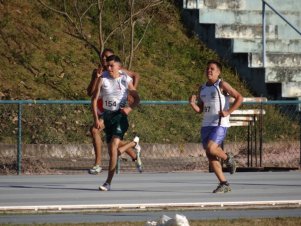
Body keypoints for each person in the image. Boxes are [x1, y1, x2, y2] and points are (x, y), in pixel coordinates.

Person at [189, 60, 243, 193]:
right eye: (208, 68)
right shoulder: (202, 88)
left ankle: (228, 158)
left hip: (219, 123)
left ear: (218, 72)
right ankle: (224, 183)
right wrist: (192, 104)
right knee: (210, 154)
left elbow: (239, 97)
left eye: (212, 69)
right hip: (206, 125)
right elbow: (200, 109)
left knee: (211, 148)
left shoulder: (222, 84)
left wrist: (228, 112)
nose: (209, 71)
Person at [87, 48, 141, 174]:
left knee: (96, 131)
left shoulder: (121, 73)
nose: (105, 60)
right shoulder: (98, 73)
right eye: (103, 58)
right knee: (111, 140)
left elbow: (135, 75)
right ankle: (134, 152)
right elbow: (90, 93)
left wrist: (130, 94)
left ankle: (98, 164)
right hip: (101, 108)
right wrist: (95, 78)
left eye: (108, 58)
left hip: (115, 110)